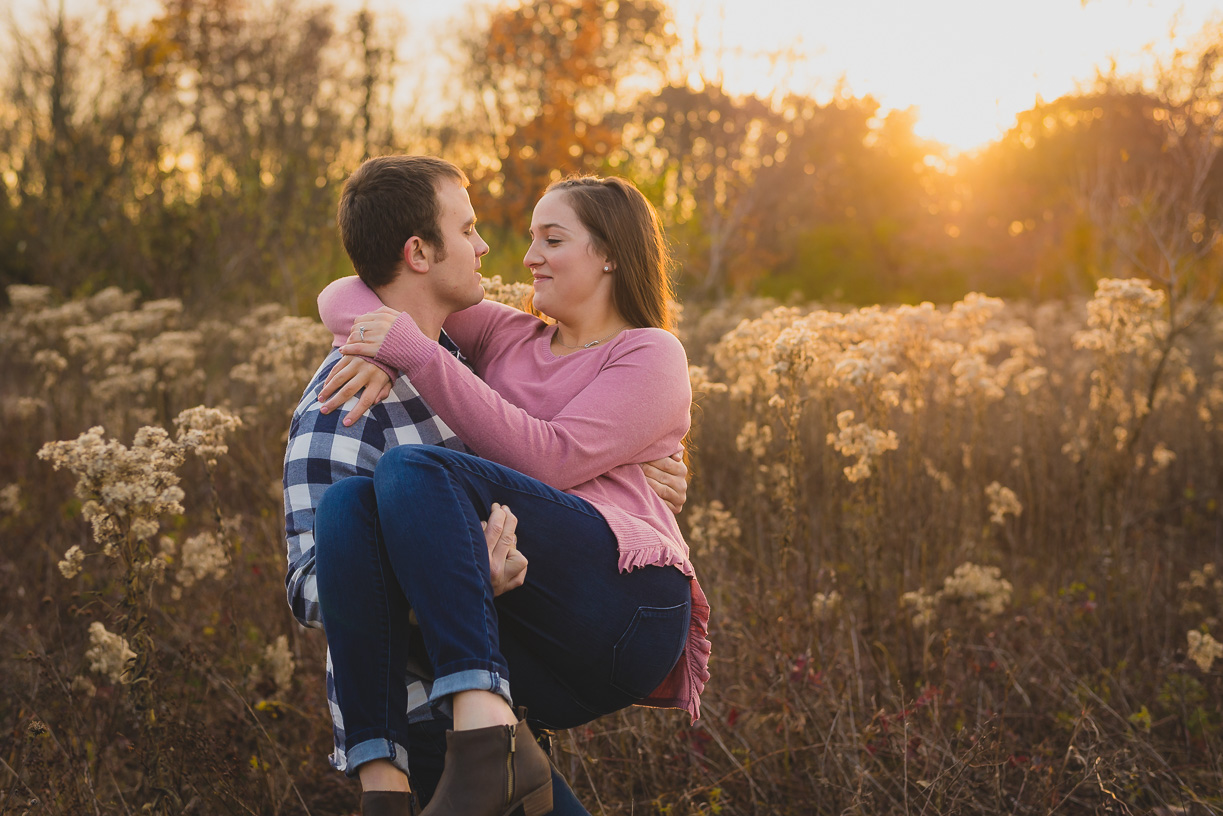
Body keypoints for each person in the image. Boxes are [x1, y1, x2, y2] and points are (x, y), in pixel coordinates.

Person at [282, 155, 694, 815]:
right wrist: (391, 346)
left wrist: (407, 349)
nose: (520, 255)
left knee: (410, 471)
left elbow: (553, 459)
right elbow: (345, 292)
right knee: (350, 503)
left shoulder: (647, 351)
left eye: (551, 239)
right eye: (525, 236)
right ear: (420, 251)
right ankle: (391, 784)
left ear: (611, 255)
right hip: (492, 648)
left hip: (622, 605)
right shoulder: (498, 340)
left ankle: (483, 737)